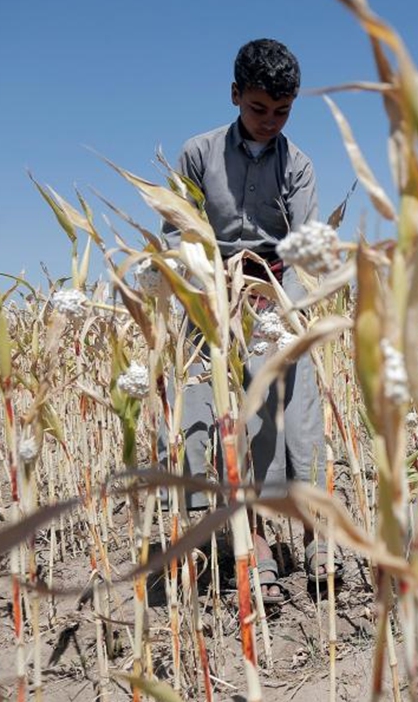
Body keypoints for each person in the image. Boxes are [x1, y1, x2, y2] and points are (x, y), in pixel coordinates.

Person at [160, 39, 334, 603]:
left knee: (295, 410)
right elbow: (179, 231)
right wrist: (213, 291)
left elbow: (305, 249)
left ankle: (315, 536)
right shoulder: (196, 154)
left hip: (273, 294)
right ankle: (251, 539)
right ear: (236, 96)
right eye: (259, 109)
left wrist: (271, 301)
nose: (269, 122)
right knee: (210, 413)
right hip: (208, 294)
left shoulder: (299, 165)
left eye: (282, 112)